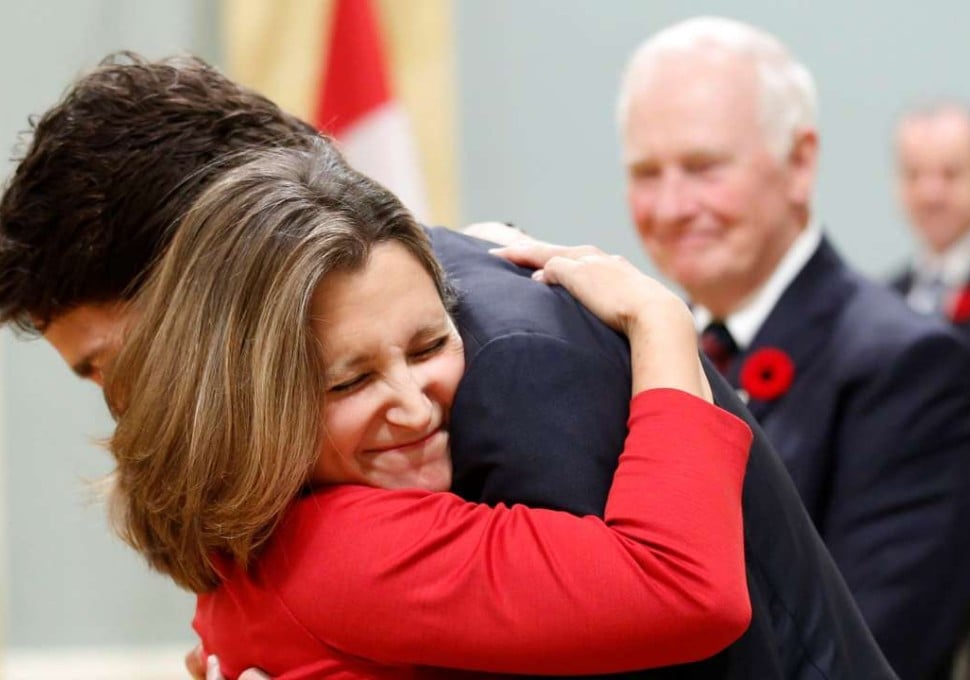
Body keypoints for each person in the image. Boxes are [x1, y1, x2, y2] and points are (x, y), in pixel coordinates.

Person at [0, 52, 895, 679]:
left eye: (119, 362)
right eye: (349, 380)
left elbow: (673, 599)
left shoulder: (505, 366)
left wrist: (661, 316)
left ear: (212, 293)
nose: (125, 409)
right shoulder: (308, 489)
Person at [100, 138, 751, 677]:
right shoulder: (347, 549)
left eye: (428, 346)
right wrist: (659, 318)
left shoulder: (255, 542)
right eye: (350, 383)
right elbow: (684, 587)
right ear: (248, 404)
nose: (414, 410)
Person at [617, 16, 970, 680]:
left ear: (799, 163)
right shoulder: (635, 356)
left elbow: (861, 656)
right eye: (647, 172)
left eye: (704, 167)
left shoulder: (908, 370)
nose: (672, 205)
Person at [891, 102, 970, 677]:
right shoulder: (886, 298)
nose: (931, 193)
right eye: (916, 175)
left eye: (949, 173)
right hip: (907, 578)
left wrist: (962, 497)